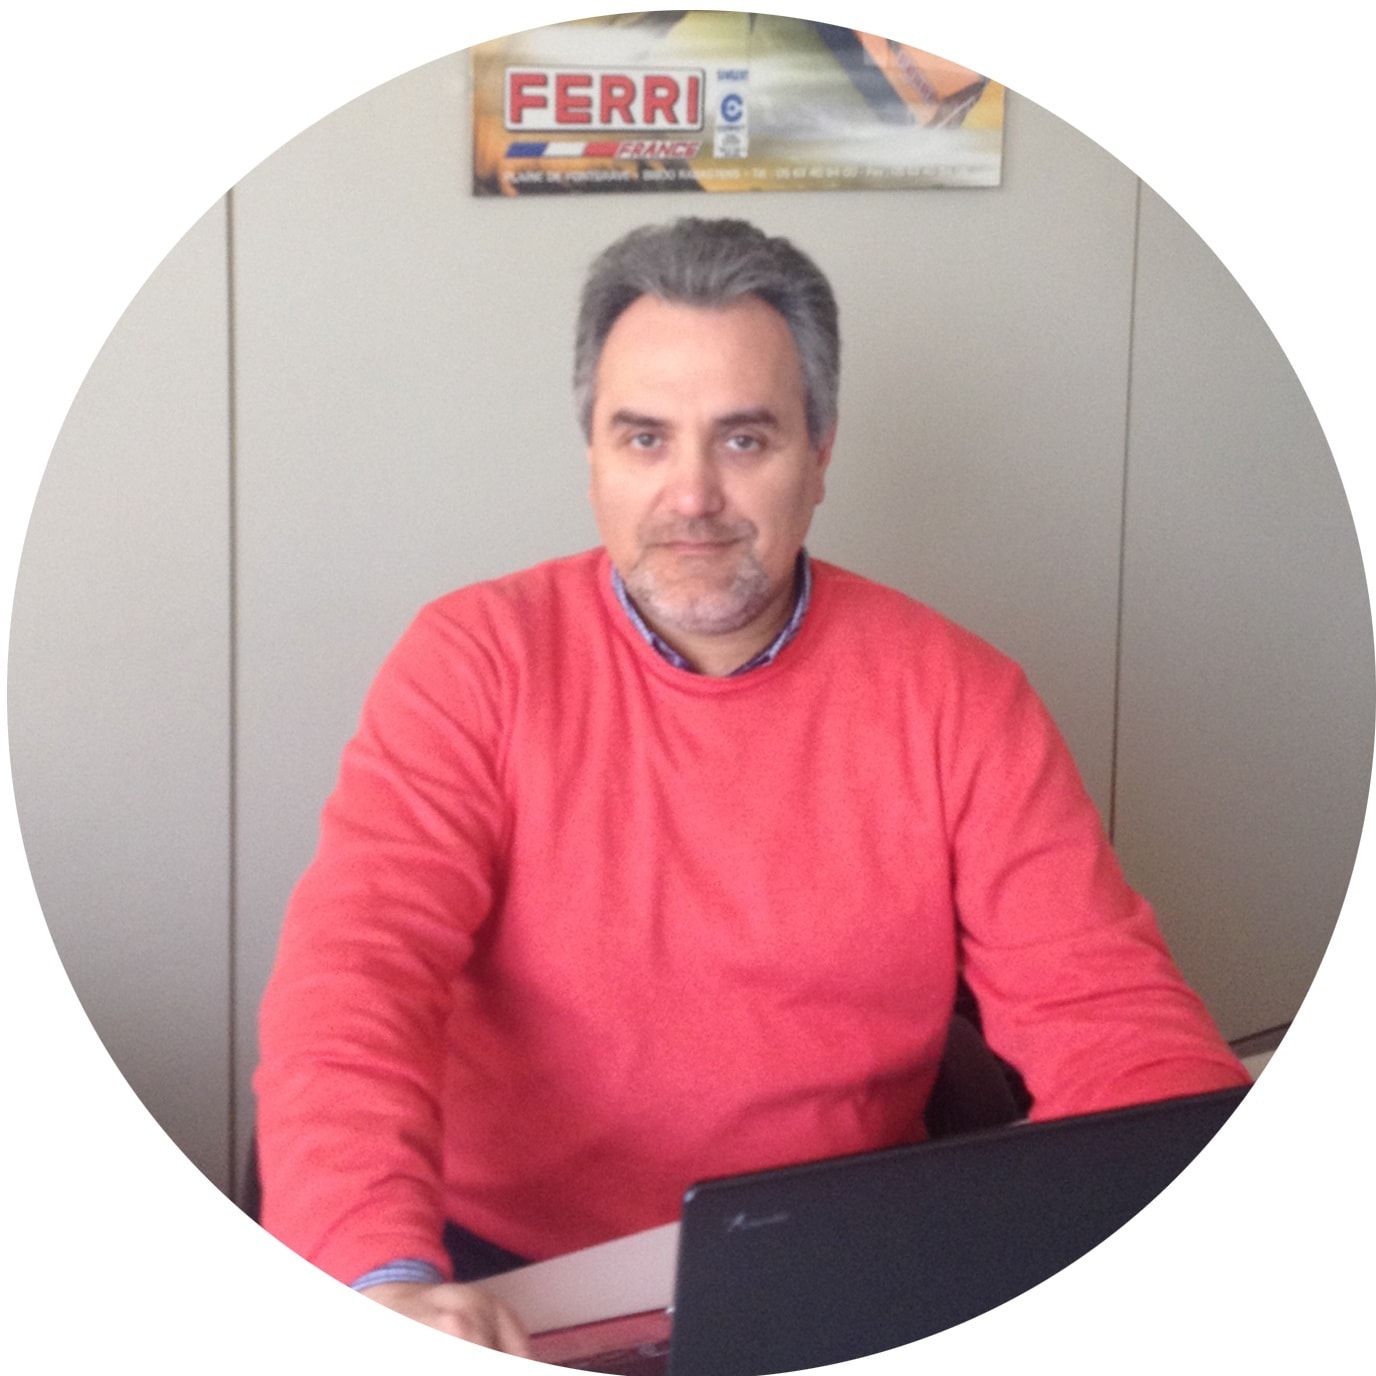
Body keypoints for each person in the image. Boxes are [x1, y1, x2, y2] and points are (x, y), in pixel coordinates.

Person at [254, 217, 1250, 1355]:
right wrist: (382, 1276)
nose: (691, 496)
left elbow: (1107, 1016)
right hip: (507, 1281)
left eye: (743, 438)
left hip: (837, 1262)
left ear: (819, 454)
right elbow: (355, 978)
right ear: (592, 455)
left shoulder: (959, 695)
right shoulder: (473, 661)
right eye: (643, 438)